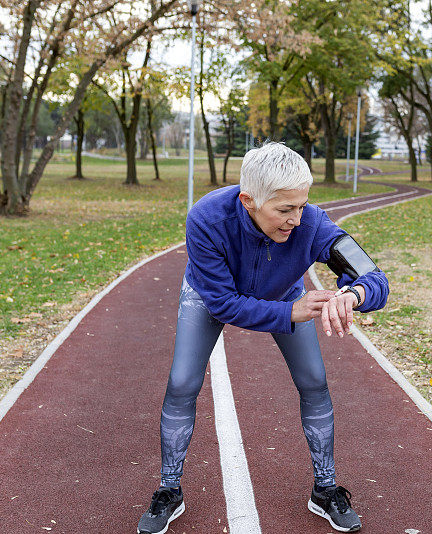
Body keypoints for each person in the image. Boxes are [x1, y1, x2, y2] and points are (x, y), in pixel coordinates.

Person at [137, 142, 389, 534]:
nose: (296, 219)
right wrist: (291, 312)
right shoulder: (206, 218)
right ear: (248, 200)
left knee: (314, 381)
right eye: (284, 209)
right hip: (209, 295)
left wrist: (352, 294)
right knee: (183, 382)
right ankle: (169, 489)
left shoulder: (312, 223)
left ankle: (325, 489)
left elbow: (376, 279)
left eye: (301, 205)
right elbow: (223, 304)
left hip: (285, 291)